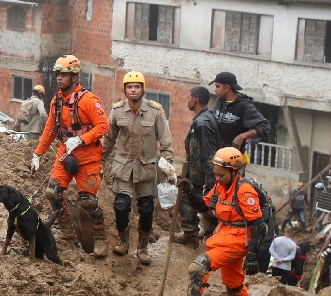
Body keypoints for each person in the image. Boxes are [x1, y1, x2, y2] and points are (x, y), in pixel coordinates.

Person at [31, 55, 111, 257]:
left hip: (88, 156)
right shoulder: (56, 101)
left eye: (64, 74)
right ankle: (67, 233)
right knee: (52, 192)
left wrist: (82, 139)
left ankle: (100, 237)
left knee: (88, 201)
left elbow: (103, 126)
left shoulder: (89, 100)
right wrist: (37, 153)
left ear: (74, 76)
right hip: (65, 154)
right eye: (58, 74)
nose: (59, 78)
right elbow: (50, 129)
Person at [176, 147, 264, 296]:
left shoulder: (244, 191)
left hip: (238, 240)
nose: (217, 178)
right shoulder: (219, 186)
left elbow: (258, 224)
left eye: (221, 175)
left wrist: (252, 255)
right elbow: (204, 206)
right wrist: (190, 191)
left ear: (234, 171)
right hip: (224, 235)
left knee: (198, 267)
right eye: (216, 174)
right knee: (233, 283)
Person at [105, 71, 174, 264]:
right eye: (129, 87)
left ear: (143, 89)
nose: (133, 90)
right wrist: (100, 159)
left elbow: (165, 141)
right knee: (121, 206)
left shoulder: (155, 110)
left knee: (145, 209)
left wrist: (167, 165)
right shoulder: (117, 110)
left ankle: (143, 248)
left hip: (146, 168)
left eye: (137, 87)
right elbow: (109, 138)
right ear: (125, 90)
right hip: (123, 167)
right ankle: (123, 241)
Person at [177, 85, 218, 244]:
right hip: (197, 172)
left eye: (188, 98)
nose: (187, 101)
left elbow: (208, 153)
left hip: (198, 174)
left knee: (189, 200)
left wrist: (210, 180)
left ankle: (191, 235)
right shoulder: (204, 119)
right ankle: (206, 232)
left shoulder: (203, 123)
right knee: (201, 202)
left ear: (195, 100)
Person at [210, 72, 270, 151]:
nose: (215, 90)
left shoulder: (244, 105)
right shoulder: (219, 102)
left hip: (233, 157)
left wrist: (243, 136)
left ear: (227, 88)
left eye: (218, 86)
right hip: (216, 154)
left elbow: (265, 126)